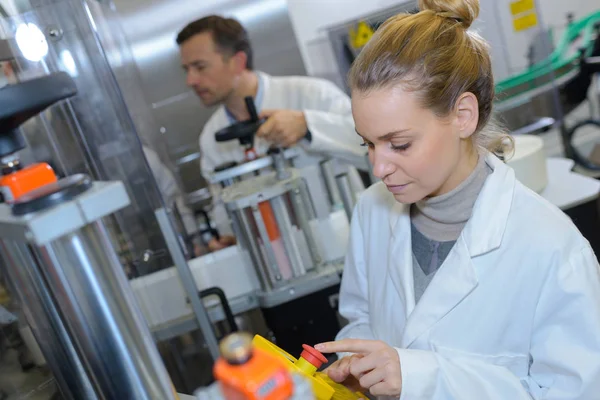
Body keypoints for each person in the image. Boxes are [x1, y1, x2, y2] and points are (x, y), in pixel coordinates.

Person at [314, 1, 600, 399]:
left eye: (399, 144)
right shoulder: (371, 211)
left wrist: (421, 378)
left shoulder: (550, 246)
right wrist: (357, 367)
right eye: (368, 144)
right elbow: (362, 318)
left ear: (463, 115)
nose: (379, 168)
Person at [176, 16, 366, 250]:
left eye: (200, 67)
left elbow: (372, 147)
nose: (190, 80)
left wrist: (307, 125)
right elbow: (223, 207)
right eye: (187, 70)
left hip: (349, 242)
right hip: (279, 261)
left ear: (237, 62)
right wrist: (226, 238)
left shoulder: (310, 94)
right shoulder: (211, 137)